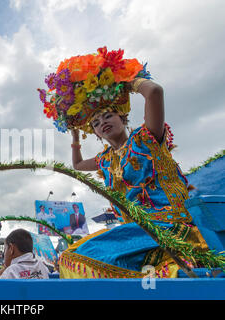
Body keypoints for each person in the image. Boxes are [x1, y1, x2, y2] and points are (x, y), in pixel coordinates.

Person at [38, 47, 209, 278]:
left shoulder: (145, 139)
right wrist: (75, 135)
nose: (103, 123)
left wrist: (127, 82)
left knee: (81, 257)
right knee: (70, 258)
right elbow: (77, 165)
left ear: (122, 116)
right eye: (96, 123)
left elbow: (155, 92)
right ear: (96, 133)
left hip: (169, 227)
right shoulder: (105, 160)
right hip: (137, 234)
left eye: (108, 115)